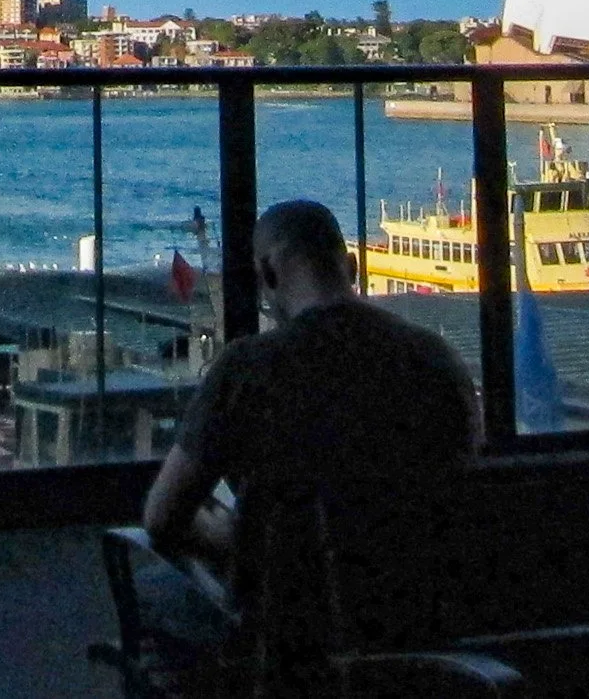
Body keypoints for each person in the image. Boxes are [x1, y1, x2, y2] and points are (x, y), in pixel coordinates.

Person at [132, 199, 481, 679]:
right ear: (351, 267)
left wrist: (233, 536)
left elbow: (161, 517)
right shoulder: (437, 362)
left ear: (268, 273)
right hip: (422, 632)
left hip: (290, 643)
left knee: (154, 589)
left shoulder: (247, 369)